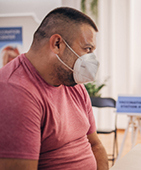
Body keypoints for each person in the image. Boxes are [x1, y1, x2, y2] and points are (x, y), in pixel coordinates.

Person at [0, 7, 109, 170]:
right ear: (57, 44)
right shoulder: (16, 92)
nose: (91, 60)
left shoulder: (73, 84)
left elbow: (95, 145)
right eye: (87, 49)